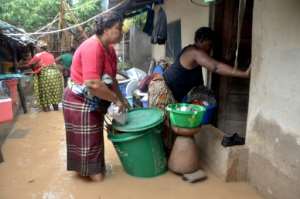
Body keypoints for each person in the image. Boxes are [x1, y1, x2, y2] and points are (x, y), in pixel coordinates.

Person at [148, 27, 251, 152]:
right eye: (209, 44)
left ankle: (167, 157)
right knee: (162, 129)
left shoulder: (197, 55)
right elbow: (216, 67)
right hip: (163, 91)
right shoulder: (194, 52)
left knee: (168, 131)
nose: (210, 48)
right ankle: (157, 157)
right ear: (201, 40)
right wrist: (244, 74)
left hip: (171, 93)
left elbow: (214, 63)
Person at [62, 11, 127, 182]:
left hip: (93, 99)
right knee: (89, 145)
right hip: (79, 101)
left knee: (93, 141)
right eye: (118, 28)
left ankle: (88, 171)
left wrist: (122, 99)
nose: (121, 32)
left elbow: (112, 79)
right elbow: (92, 83)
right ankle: (94, 177)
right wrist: (115, 99)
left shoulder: (110, 50)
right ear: (105, 29)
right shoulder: (93, 47)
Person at [19, 41, 64, 112]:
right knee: (54, 94)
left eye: (37, 47)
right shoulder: (50, 55)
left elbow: (29, 64)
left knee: (45, 96)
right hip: (56, 75)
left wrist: (19, 67)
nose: (36, 49)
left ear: (40, 48)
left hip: (46, 76)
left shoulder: (38, 55)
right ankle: (56, 112)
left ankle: (47, 113)